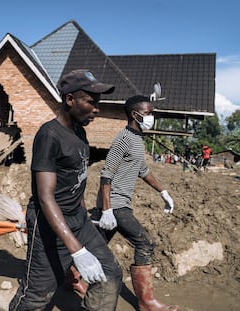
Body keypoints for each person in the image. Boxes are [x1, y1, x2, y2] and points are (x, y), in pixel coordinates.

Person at [9, 69, 122, 311]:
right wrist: (77, 251)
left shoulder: (79, 131)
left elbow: (75, 180)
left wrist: (86, 219)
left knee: (109, 274)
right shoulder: (49, 135)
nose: (97, 108)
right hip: (49, 225)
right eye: (91, 101)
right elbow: (45, 196)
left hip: (78, 220)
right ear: (70, 100)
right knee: (37, 296)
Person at [97, 95, 178, 311]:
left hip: (119, 203)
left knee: (95, 244)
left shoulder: (137, 138)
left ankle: (74, 277)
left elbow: (143, 170)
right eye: (149, 113)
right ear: (136, 114)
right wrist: (107, 210)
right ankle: (146, 302)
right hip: (116, 204)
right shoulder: (123, 139)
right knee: (144, 243)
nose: (152, 117)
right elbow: (106, 174)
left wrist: (164, 192)